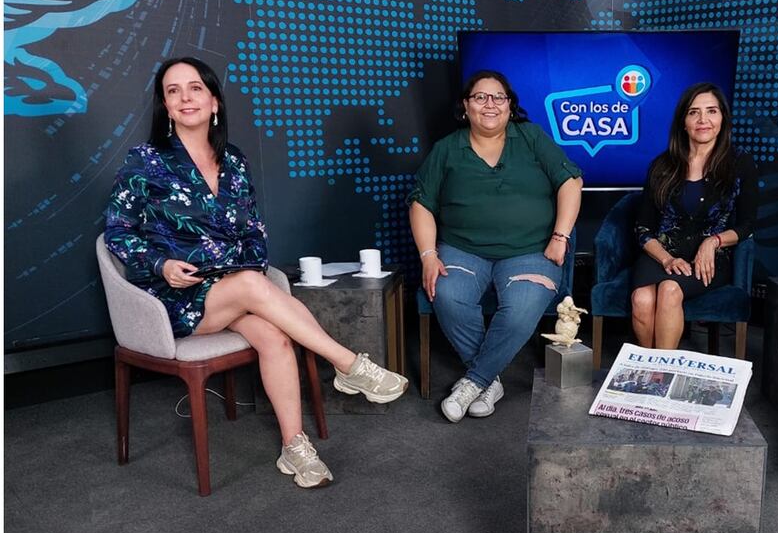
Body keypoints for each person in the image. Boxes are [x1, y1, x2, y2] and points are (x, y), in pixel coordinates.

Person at [105, 57, 409, 489]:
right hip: (171, 300)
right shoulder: (146, 161)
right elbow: (117, 232)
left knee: (274, 335)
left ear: (214, 102)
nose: (185, 97)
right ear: (165, 106)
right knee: (252, 284)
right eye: (173, 91)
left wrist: (246, 271)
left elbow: (253, 233)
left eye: (195, 88)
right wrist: (162, 265)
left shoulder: (234, 161)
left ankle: (295, 447)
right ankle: (346, 363)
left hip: (231, 292)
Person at [409, 70, 583, 422]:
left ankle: (475, 380)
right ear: (466, 106)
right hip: (462, 250)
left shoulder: (531, 137)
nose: (490, 104)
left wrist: (560, 236)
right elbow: (421, 203)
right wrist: (428, 255)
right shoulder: (447, 149)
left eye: (498, 97)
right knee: (446, 294)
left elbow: (571, 181)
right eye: (480, 97)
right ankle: (490, 381)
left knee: (521, 309)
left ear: (509, 105)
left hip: (531, 250)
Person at [631, 83, 759, 349]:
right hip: (661, 254)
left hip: (709, 260)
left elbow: (747, 225)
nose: (703, 120)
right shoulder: (661, 165)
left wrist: (712, 242)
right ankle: (646, 369)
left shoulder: (740, 163)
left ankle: (661, 375)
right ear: (684, 122)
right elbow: (643, 229)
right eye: (694, 113)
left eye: (711, 111)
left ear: (722, 118)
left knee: (668, 290)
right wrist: (667, 259)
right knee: (642, 299)